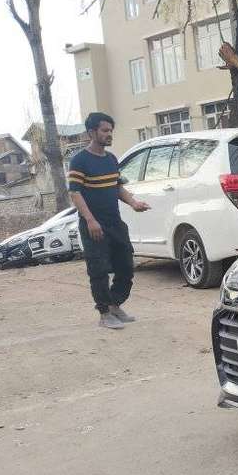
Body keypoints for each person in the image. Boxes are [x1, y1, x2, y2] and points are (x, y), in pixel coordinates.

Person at [68, 113, 150, 329]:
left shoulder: (111, 159)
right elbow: (75, 193)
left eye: (110, 130)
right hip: (93, 225)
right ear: (91, 132)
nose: (109, 134)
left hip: (115, 223)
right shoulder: (80, 160)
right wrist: (90, 221)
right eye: (104, 130)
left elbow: (116, 186)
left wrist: (133, 202)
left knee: (125, 265)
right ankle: (104, 313)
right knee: (99, 270)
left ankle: (115, 304)